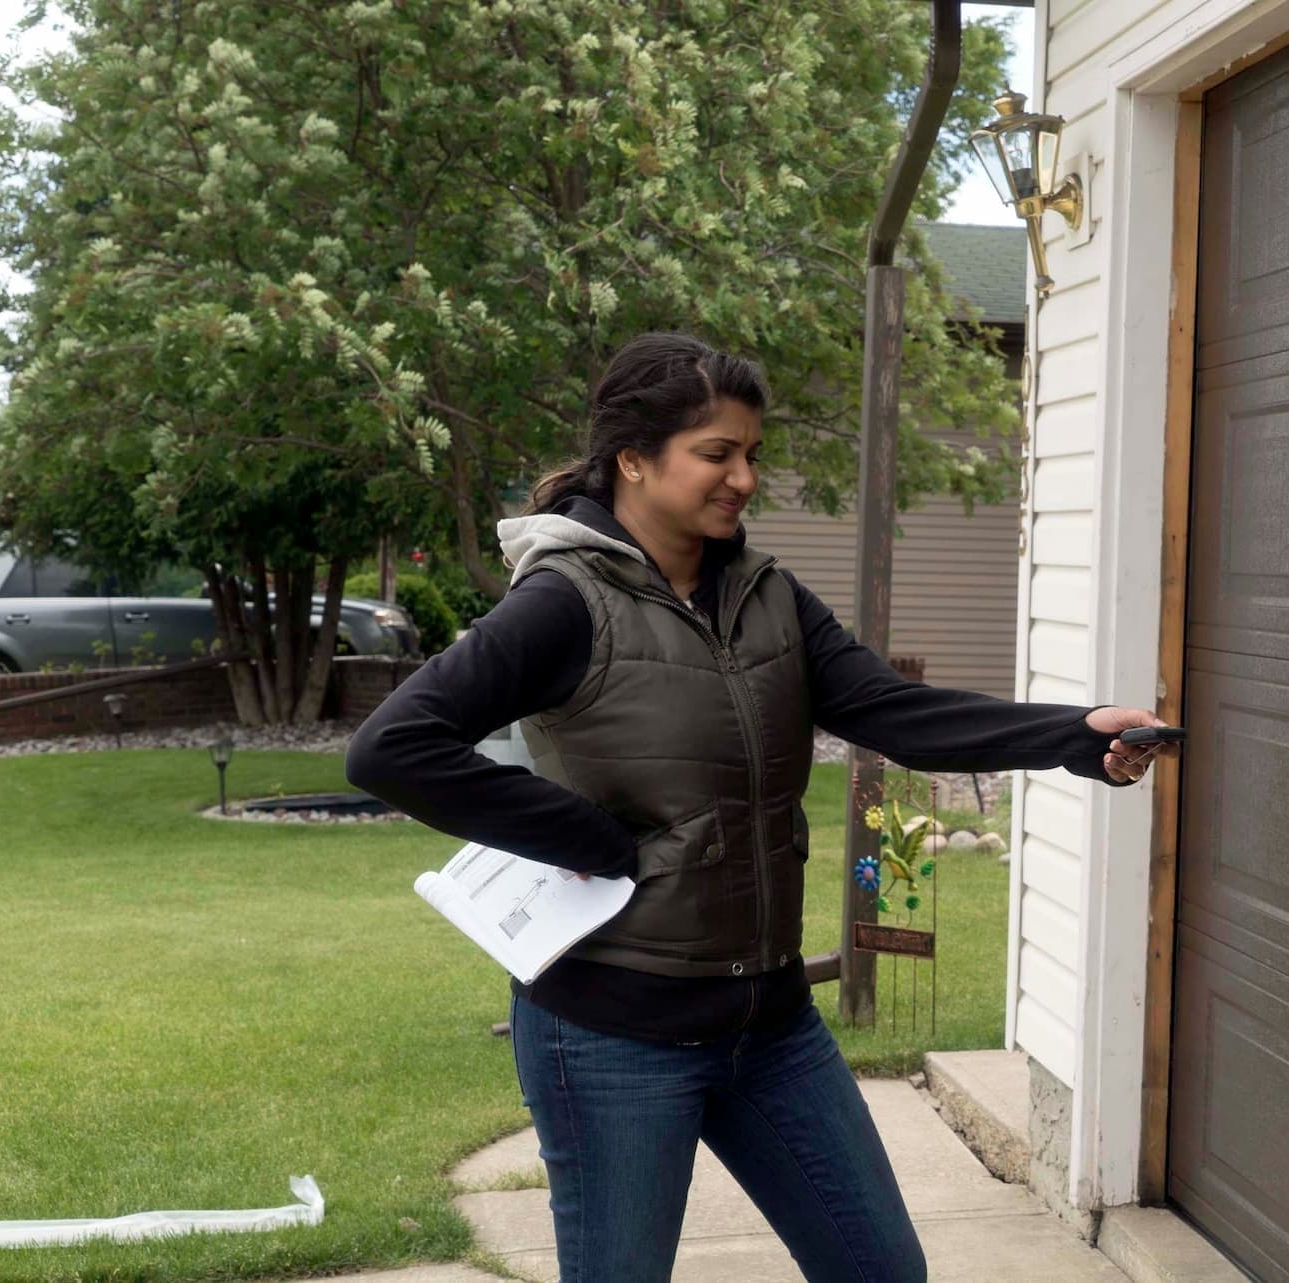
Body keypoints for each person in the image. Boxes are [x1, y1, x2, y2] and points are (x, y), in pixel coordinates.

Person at [344, 332, 1180, 1283]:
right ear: (633, 459)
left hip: (771, 1024)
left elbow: (893, 712)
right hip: (613, 1032)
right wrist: (587, 836)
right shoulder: (564, 601)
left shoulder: (767, 596)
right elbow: (393, 748)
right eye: (717, 453)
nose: (744, 478)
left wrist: (1073, 734)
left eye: (751, 454)